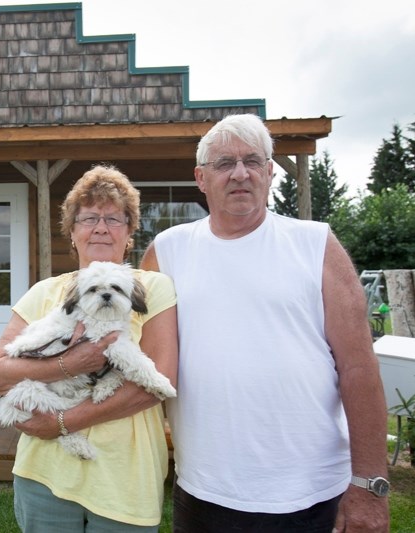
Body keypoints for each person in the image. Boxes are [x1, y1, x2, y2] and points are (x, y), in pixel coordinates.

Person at [140, 114, 390, 532]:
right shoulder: (168, 252)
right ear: (201, 178)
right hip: (205, 493)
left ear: (271, 172)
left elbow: (359, 369)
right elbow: (144, 357)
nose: (240, 173)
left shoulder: (316, 244)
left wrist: (368, 485)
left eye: (253, 161)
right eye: (224, 164)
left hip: (312, 493)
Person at [0, 164, 179, 532]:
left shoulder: (153, 287)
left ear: (130, 231)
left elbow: (156, 383)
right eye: (89, 218)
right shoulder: (45, 292)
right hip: (44, 474)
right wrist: (68, 365)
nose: (101, 228)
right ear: (72, 232)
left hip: (124, 477)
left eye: (114, 219)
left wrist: (59, 423)